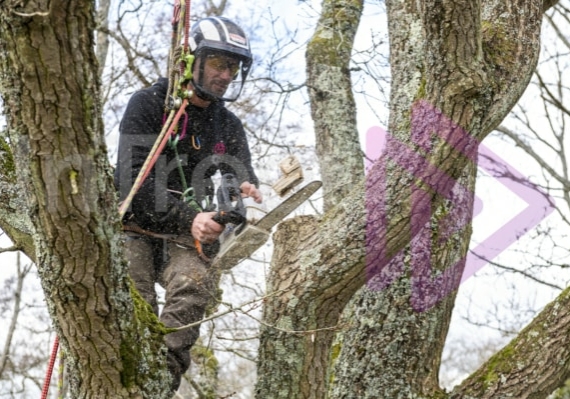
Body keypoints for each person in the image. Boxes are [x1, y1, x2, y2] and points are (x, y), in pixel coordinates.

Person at [114, 16, 262, 393]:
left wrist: (243, 189)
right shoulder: (148, 105)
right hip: (134, 227)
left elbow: (239, 171)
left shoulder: (227, 124)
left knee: (196, 283)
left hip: (184, 235)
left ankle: (158, 384)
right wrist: (191, 216)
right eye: (218, 63)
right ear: (190, 61)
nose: (226, 74)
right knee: (135, 304)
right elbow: (133, 185)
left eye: (233, 67)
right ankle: (127, 378)